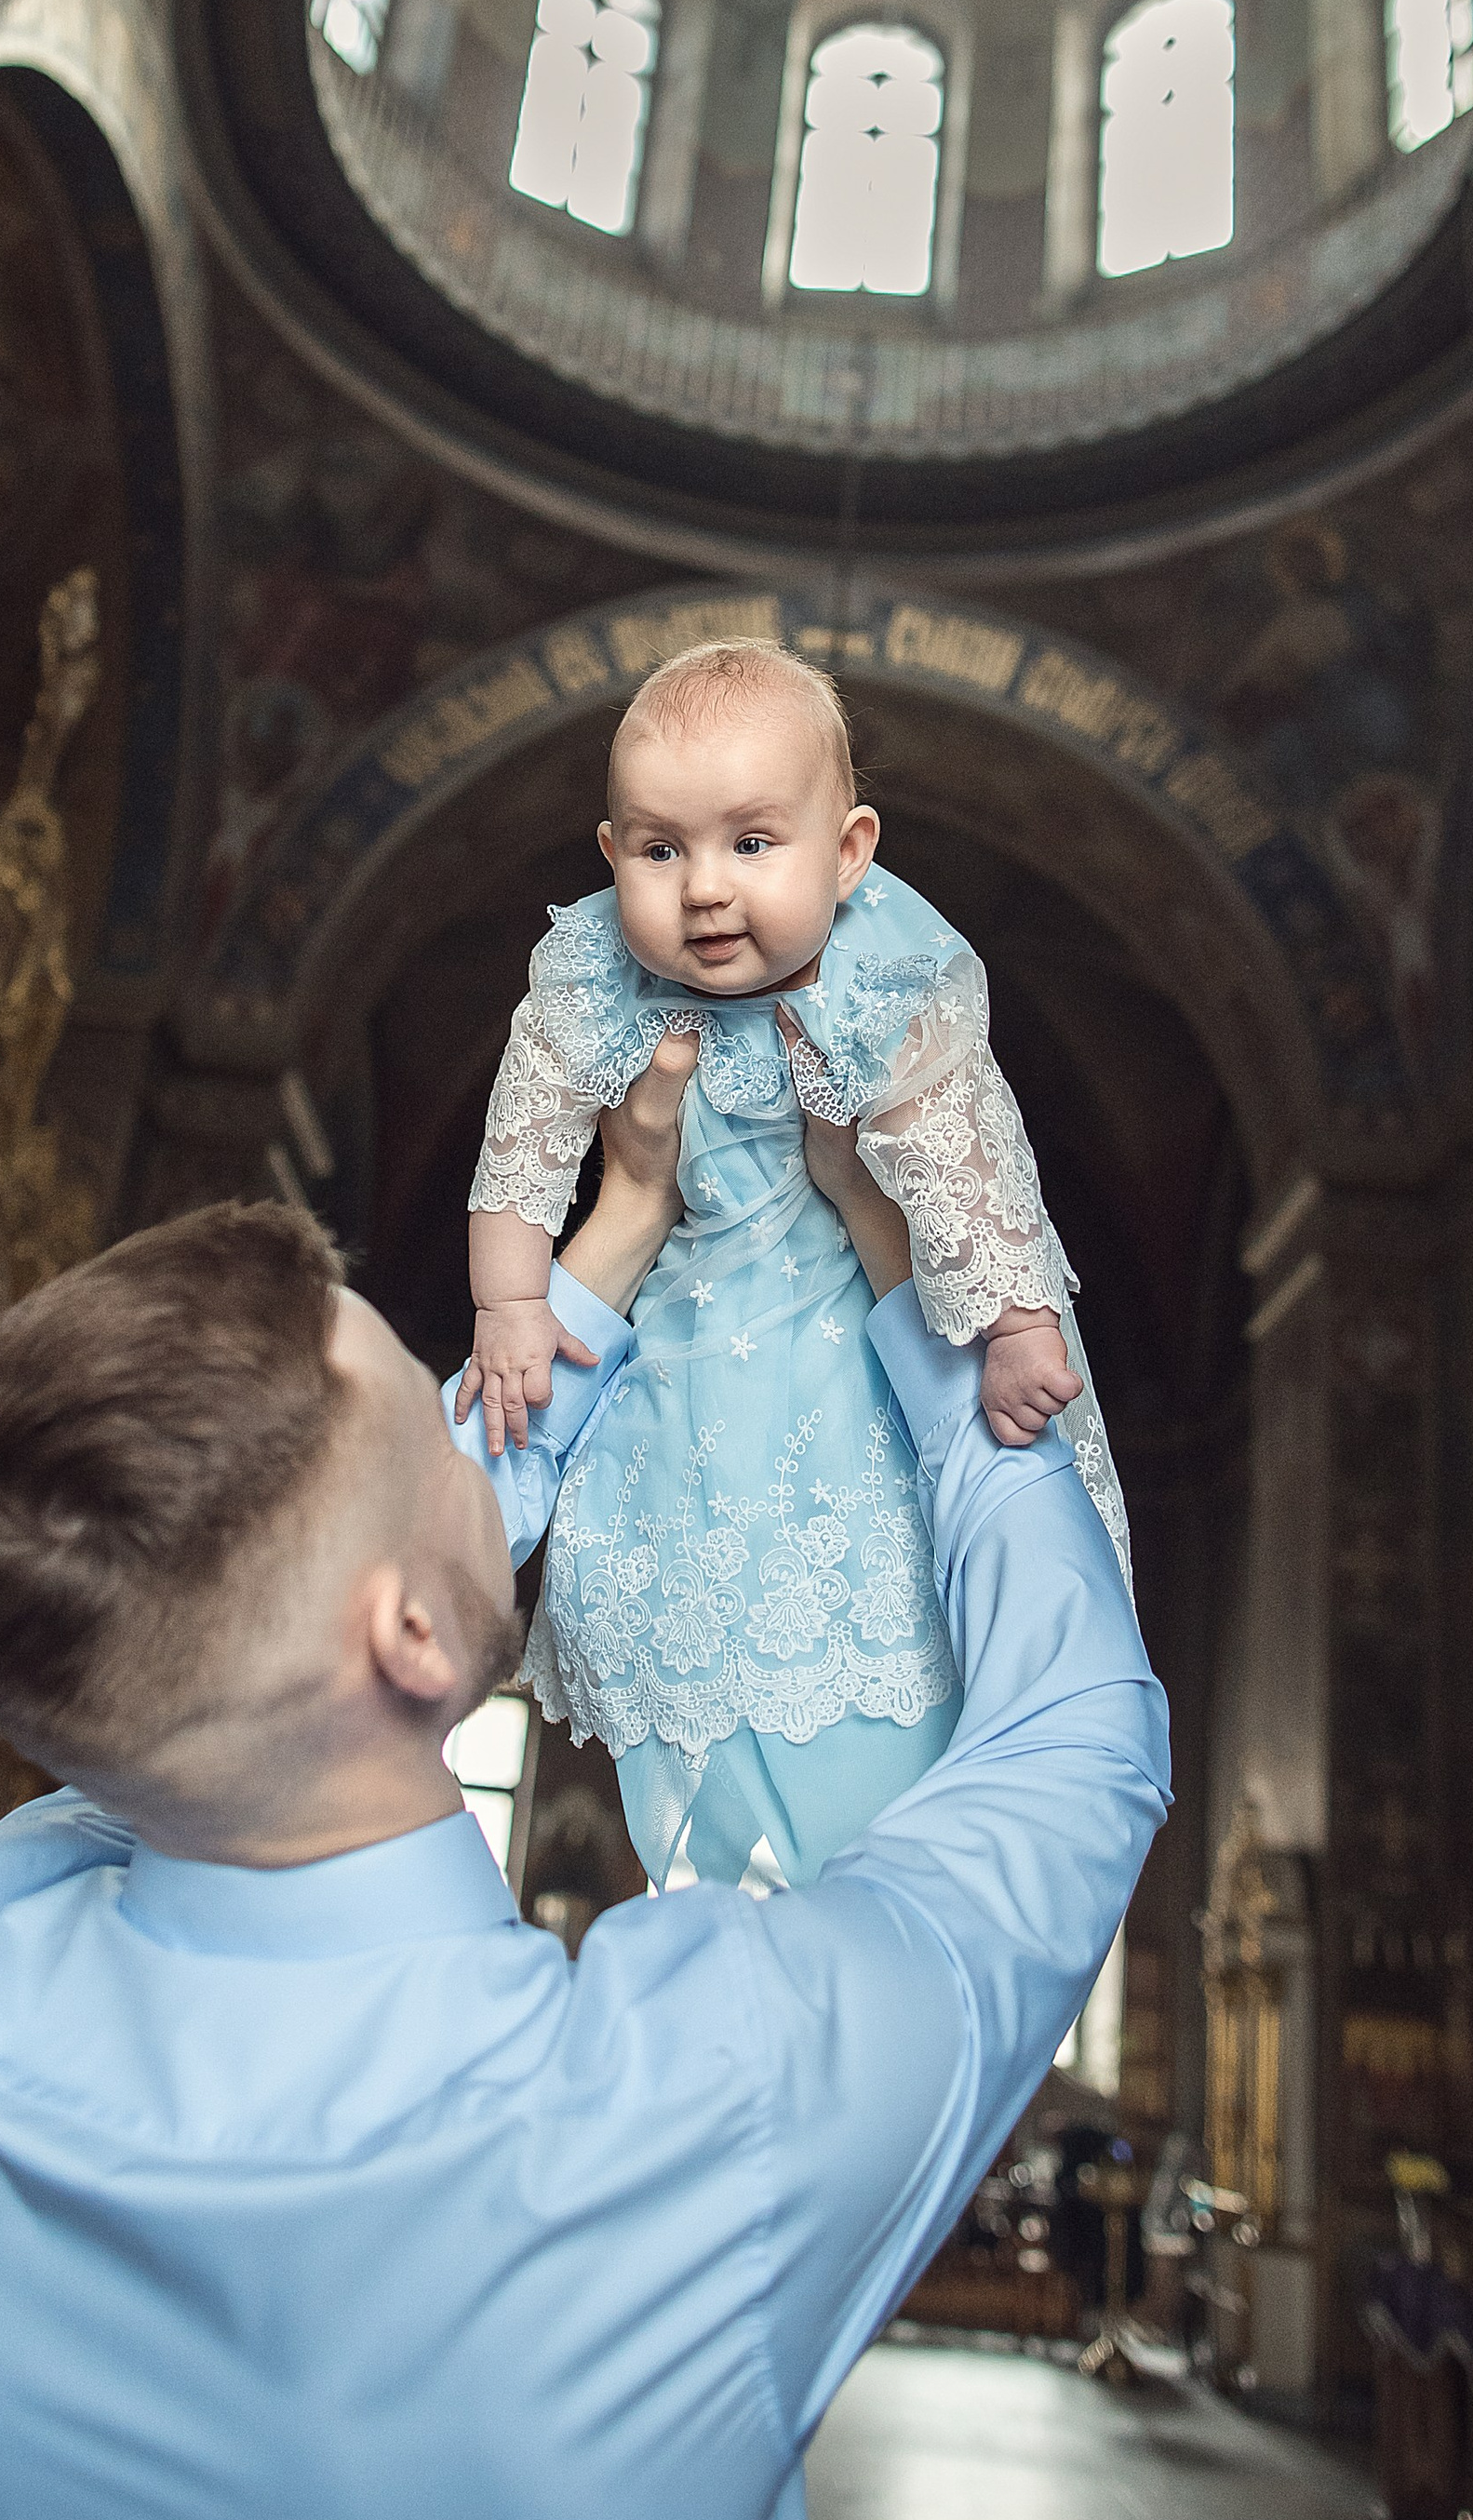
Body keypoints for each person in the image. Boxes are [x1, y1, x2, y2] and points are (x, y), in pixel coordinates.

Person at [0, 1045, 1169, 2520]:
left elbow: (189, 1670)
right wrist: (920, 1277)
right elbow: (1078, 1743)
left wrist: (621, 1224)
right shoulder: (686, 2098)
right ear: (405, 1629)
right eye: (429, 1407)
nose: (465, 1411)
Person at [462, 635, 1130, 1888]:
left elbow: (966, 1161)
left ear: (851, 851)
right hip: (687, 1333)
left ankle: (860, 1839)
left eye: (753, 845)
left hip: (851, 1325)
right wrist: (508, 1302)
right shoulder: (590, 979)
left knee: (870, 1562)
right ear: (610, 860)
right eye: (661, 851)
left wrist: (1018, 1321)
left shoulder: (887, 968)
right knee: (691, 1571)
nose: (706, 889)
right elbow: (522, 1149)